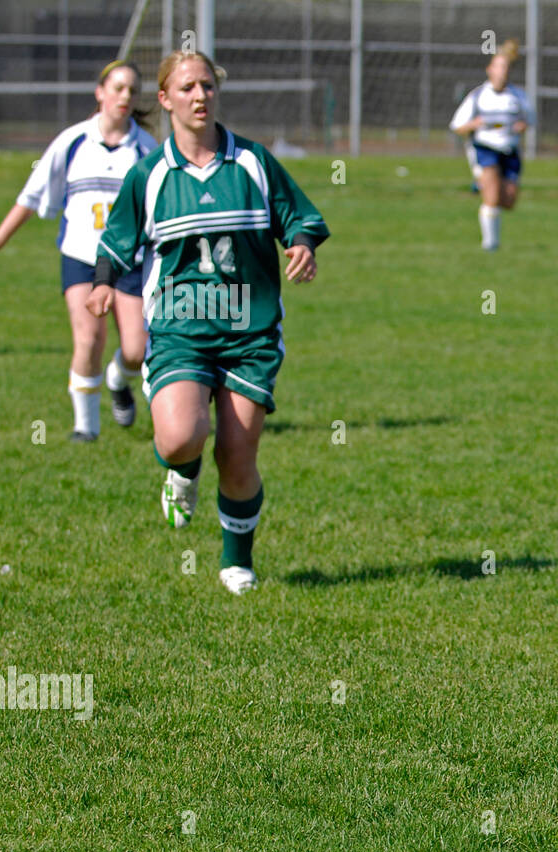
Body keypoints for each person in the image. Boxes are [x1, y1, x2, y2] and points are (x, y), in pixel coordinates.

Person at [87, 50, 329, 595]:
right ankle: (182, 471)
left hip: (249, 332)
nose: (201, 96)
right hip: (179, 330)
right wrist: (104, 281)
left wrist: (303, 246)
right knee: (179, 438)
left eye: (208, 86)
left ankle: (236, 562)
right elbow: (118, 239)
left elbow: (300, 217)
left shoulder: (253, 162)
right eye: (188, 88)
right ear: (166, 99)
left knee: (238, 453)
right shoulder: (150, 175)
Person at [0, 61, 158, 441]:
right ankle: (86, 428)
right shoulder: (73, 142)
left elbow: (162, 207)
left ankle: (118, 381)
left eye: (132, 90)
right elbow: (32, 196)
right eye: (117, 88)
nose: (124, 97)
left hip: (128, 262)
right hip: (81, 257)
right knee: (89, 339)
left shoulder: (146, 150)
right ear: (100, 92)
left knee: (136, 349)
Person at [449, 40, 535, 251]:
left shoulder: (518, 96)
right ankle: (491, 245)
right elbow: (457, 126)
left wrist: (523, 126)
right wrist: (473, 124)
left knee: (509, 201)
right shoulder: (478, 96)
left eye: (505, 67)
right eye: (498, 67)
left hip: (510, 150)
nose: (501, 72)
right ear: (490, 70)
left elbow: (530, 121)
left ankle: (483, 186)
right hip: (485, 149)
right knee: (492, 197)